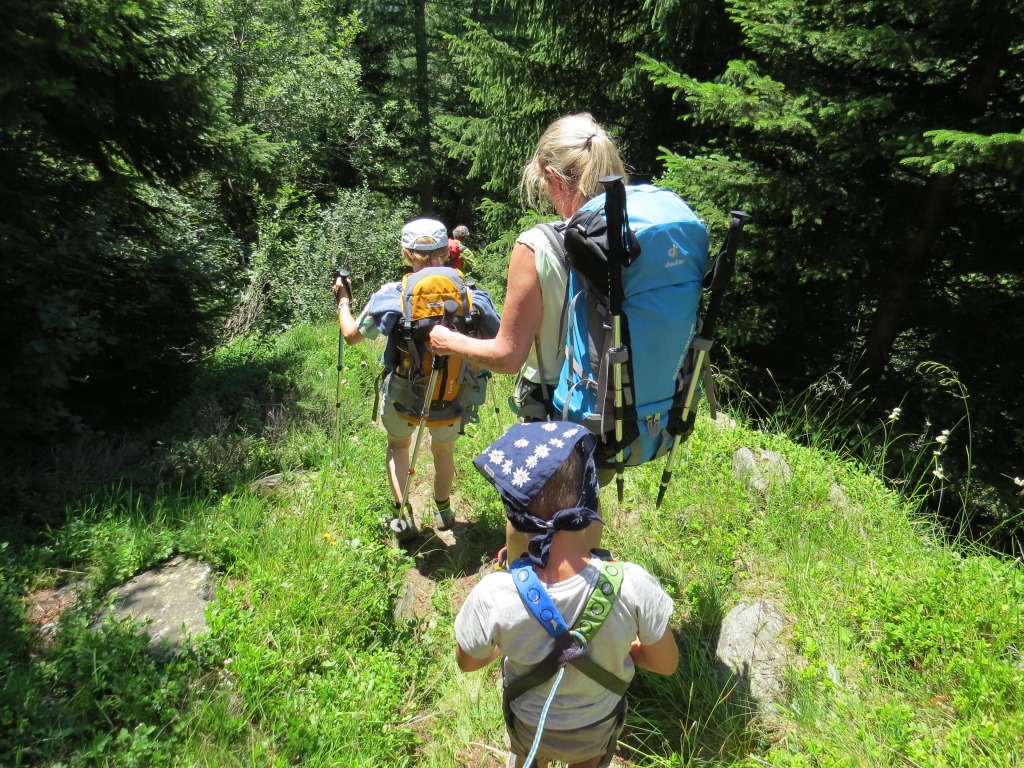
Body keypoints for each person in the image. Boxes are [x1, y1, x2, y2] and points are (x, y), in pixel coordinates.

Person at [429, 112, 628, 561]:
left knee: (530, 515)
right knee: (585, 501)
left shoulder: (536, 246)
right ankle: (583, 584)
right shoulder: (631, 235)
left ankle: (526, 584)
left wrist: (448, 340)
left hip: (555, 405)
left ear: (553, 177)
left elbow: (507, 356)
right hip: (618, 404)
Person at [454, 421, 679, 768]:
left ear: (514, 516)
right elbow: (666, 664)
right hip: (595, 728)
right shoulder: (633, 585)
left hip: (528, 725)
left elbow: (468, 662)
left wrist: (503, 644)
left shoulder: (493, 595)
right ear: (590, 505)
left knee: (527, 756)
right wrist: (629, 648)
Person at [333, 218, 500, 534]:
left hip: (404, 395)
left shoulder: (391, 295)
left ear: (405, 252)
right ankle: (444, 511)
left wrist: (343, 301)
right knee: (443, 451)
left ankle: (404, 516)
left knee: (398, 446)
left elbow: (352, 336)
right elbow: (499, 339)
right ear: (446, 251)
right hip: (452, 395)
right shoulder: (471, 294)